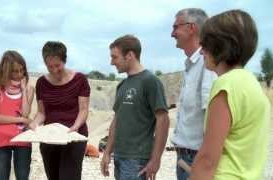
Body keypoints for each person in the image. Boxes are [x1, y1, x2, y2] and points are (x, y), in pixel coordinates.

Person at [189, 10, 270, 180]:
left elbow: (208, 160)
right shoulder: (251, 82)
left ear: (220, 45)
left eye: (205, 44)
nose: (202, 50)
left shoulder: (226, 84)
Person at [100, 35, 170, 180]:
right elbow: (116, 120)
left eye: (115, 57)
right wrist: (107, 152)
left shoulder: (150, 81)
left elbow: (163, 120)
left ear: (130, 55)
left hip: (137, 160)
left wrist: (156, 159)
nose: (111, 62)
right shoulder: (122, 85)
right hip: (119, 157)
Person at [29, 41, 90, 180]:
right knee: (53, 176)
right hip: (49, 137)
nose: (54, 70)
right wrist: (34, 124)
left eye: (58, 65)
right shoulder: (41, 83)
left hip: (73, 136)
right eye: (49, 66)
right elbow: (41, 113)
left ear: (65, 60)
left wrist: (75, 127)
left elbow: (84, 110)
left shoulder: (80, 80)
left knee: (69, 177)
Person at [170, 8, 217, 180]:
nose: (172, 33)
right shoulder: (192, 66)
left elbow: (211, 118)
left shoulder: (207, 65)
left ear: (192, 28)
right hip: (186, 157)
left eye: (176, 27)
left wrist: (202, 167)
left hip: (196, 158)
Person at [0, 50, 34, 180]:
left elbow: (26, 112)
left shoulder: (29, 89)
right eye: (15, 71)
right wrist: (21, 119)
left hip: (23, 139)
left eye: (22, 70)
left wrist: (24, 90)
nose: (19, 74)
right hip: (1, 139)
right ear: (6, 70)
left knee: (22, 178)